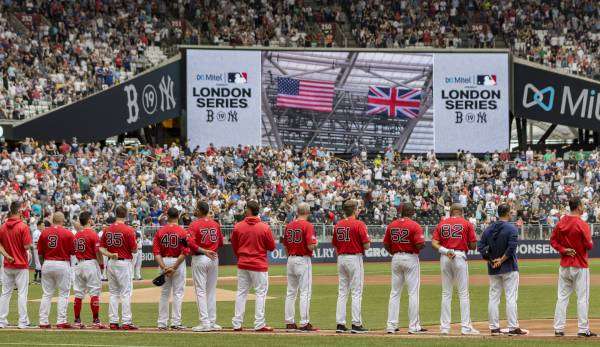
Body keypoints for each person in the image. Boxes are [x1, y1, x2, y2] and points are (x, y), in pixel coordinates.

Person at [477, 204, 527, 336]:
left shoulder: (488, 229)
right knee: (511, 297)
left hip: (493, 268)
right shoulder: (512, 228)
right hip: (509, 267)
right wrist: (501, 260)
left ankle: (494, 328)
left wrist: (491, 260)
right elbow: (511, 248)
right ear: (508, 213)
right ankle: (513, 327)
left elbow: (480, 247)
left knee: (493, 297)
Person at [550, 197, 596, 337]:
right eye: (582, 205)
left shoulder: (561, 222)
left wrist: (564, 250)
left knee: (562, 297)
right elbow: (589, 245)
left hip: (565, 264)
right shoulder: (582, 224)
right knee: (582, 298)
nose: (583, 207)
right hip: (580, 264)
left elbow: (553, 241)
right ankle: (583, 329)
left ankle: (558, 328)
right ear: (578, 207)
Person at [432, 203, 479, 335]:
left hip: (445, 256)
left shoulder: (442, 223)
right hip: (459, 256)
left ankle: (445, 328)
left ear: (451, 212)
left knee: (446, 293)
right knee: (463, 293)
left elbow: (434, 243)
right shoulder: (466, 223)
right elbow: (473, 245)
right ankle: (465, 327)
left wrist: (446, 251)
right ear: (461, 212)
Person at [231, 200, 276, 332]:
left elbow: (234, 245)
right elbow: (272, 247)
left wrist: (240, 256)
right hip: (258, 264)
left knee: (241, 293)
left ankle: (237, 323)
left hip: (243, 263)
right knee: (260, 293)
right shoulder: (264, 227)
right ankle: (259, 323)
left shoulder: (238, 226)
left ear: (248, 210)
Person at [383, 203, 426, 334]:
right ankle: (413, 326)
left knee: (394, 293)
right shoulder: (414, 225)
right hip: (410, 257)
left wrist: (394, 252)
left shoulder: (392, 225)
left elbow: (385, 244)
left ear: (401, 212)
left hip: (396, 257)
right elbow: (420, 244)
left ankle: (391, 325)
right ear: (412, 212)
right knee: (413, 293)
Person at [332, 199, 370, 334]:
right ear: (354, 210)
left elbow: (335, 244)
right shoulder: (359, 224)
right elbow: (366, 245)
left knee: (342, 292)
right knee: (356, 292)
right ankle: (356, 323)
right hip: (354, 257)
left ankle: (340, 324)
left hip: (341, 257)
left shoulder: (338, 224)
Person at [100, 206, 138, 330]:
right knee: (126, 293)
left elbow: (100, 248)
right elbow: (134, 249)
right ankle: (126, 321)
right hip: (123, 262)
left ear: (115, 214)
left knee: (114, 293)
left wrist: (110, 254)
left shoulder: (107, 229)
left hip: (111, 262)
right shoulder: (128, 230)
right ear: (126, 215)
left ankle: (113, 321)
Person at [282, 202, 319, 332]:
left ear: (297, 212)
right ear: (308, 212)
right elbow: (310, 246)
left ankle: (289, 322)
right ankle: (304, 323)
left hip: (290, 259)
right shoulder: (308, 225)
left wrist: (290, 257)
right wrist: (316, 244)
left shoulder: (289, 225)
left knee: (291, 292)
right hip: (303, 259)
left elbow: (285, 246)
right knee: (305, 292)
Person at [152, 208, 191, 330]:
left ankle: (162, 323)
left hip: (163, 260)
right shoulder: (183, 232)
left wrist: (164, 267)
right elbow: (185, 252)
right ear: (177, 216)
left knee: (164, 294)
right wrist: (174, 267)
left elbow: (156, 252)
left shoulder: (160, 231)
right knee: (178, 293)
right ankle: (176, 322)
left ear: (167, 216)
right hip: (177, 262)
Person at [187, 202, 223, 332]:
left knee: (201, 291)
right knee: (211, 291)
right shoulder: (215, 224)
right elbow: (220, 242)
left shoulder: (194, 224)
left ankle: (205, 323)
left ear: (200, 210)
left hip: (200, 257)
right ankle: (212, 321)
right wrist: (211, 250)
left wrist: (204, 251)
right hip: (213, 257)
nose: (195, 210)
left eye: (196, 208)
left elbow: (190, 243)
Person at [37, 212, 75, 329]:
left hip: (47, 262)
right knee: (63, 294)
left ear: (53, 220)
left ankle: (43, 321)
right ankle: (61, 320)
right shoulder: (68, 233)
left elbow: (40, 253)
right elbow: (73, 252)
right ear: (63, 221)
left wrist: (44, 264)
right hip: (62, 263)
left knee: (47, 294)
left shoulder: (44, 232)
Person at [0, 201, 33, 329]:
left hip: (8, 264)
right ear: (19, 211)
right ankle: (22, 321)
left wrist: (7, 256)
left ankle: (1, 321)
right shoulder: (23, 226)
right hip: (21, 264)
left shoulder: (3, 226)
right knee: (22, 293)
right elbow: (26, 246)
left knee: (5, 293)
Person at [73, 211, 106, 329]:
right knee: (94, 292)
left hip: (79, 264)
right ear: (89, 220)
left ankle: (77, 321)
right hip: (90, 263)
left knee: (78, 293)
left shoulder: (76, 235)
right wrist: (101, 265)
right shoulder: (93, 234)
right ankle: (96, 321)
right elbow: (98, 252)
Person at [31, 219, 43, 284]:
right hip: (37, 249)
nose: (43, 226)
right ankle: (38, 279)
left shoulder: (40, 232)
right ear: (38, 226)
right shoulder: (36, 232)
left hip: (39, 249)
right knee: (38, 264)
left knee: (38, 264)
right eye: (42, 225)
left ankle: (37, 279)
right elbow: (36, 242)